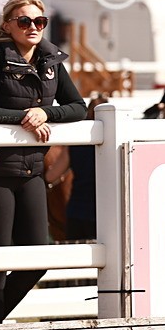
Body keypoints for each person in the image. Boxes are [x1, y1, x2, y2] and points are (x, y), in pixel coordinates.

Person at [0, 0, 86, 324]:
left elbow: (79, 106)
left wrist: (45, 113)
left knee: (38, 258)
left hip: (31, 170)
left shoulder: (51, 61)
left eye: (39, 21)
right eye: (25, 21)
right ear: (8, 25)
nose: (33, 26)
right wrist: (23, 118)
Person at [65, 95, 108, 241]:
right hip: (102, 213)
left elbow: (52, 175)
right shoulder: (113, 143)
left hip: (76, 209)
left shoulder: (77, 140)